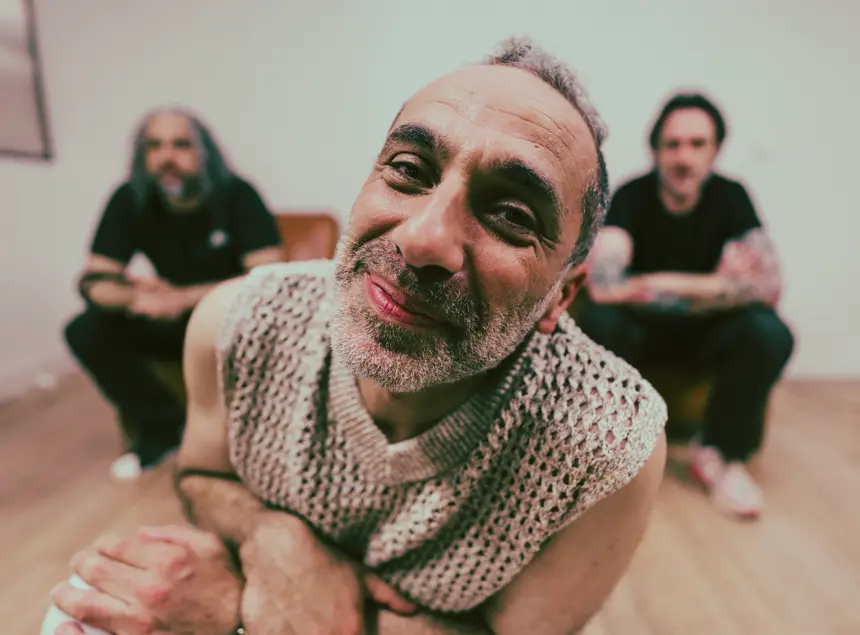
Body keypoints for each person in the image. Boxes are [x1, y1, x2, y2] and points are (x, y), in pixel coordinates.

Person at [50, 38, 668, 635]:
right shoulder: (237, 323)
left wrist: (250, 607)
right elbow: (201, 477)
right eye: (408, 170)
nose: (422, 239)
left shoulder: (607, 445)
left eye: (512, 214)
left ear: (561, 295)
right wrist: (272, 534)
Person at [576, 92, 795, 520]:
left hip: (709, 335)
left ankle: (720, 454)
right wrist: (717, 286)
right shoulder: (633, 195)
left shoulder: (731, 197)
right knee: (599, 321)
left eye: (697, 144)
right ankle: (609, 448)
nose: (683, 157)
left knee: (770, 332)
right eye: (673, 144)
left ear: (715, 150)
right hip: (642, 336)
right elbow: (603, 288)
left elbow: (768, 287)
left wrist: (648, 283)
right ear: (656, 150)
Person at [63, 107, 285, 482]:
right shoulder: (129, 198)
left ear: (205, 153)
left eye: (181, 145)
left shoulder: (237, 195)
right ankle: (164, 428)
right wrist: (135, 296)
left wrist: (183, 297)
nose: (167, 157)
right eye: (155, 146)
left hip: (229, 317)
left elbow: (268, 276)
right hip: (170, 319)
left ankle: (255, 444)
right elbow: (94, 280)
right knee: (85, 329)